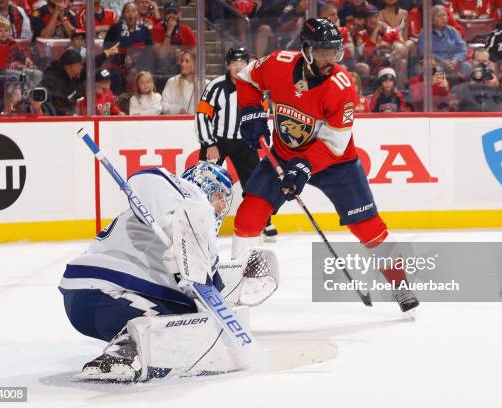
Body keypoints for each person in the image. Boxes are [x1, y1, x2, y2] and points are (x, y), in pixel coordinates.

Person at [233, 18, 419, 312]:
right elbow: (245, 78)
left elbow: (335, 143)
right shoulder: (277, 64)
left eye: (335, 52)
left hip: (336, 164)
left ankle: (400, 285)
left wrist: (304, 167)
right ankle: (234, 287)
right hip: (284, 154)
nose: (331, 59)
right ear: (306, 50)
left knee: (368, 229)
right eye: (323, 53)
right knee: (248, 215)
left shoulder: (341, 86)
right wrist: (251, 111)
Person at [59, 161, 279, 380]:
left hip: (107, 300)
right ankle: (125, 350)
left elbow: (209, 292)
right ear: (202, 185)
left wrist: (241, 275)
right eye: (218, 195)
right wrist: (172, 223)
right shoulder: (185, 197)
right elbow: (144, 178)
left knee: (189, 315)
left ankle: (134, 347)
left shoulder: (203, 241)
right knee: (183, 321)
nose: (222, 206)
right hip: (97, 290)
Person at [196, 47, 278, 241]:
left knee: (255, 184)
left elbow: (261, 114)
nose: (238, 67)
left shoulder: (256, 87)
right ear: (228, 65)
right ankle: (199, 224)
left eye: (242, 62)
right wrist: (209, 144)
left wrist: (260, 135)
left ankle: (264, 224)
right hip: (218, 142)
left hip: (244, 142)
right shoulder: (215, 86)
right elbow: (202, 115)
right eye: (234, 63)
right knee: (203, 181)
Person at [39, 46, 117, 115]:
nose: (82, 67)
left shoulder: (74, 75)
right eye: (80, 64)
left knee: (85, 131)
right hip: (53, 120)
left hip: (70, 118)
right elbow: (57, 103)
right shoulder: (52, 80)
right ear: (72, 66)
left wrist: (106, 53)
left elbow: (90, 66)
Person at [417, 5, 467, 79]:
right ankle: (449, 79)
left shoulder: (453, 31)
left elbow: (462, 49)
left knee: (467, 66)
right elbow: (424, 52)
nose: (443, 18)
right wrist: (443, 62)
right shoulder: (424, 33)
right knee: (431, 65)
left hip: (453, 63)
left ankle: (455, 80)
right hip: (437, 63)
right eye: (439, 16)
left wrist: (456, 60)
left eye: (444, 15)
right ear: (432, 20)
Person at [151, 1, 196, 78]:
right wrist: (169, 31)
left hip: (182, 69)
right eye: (168, 13)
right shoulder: (156, 29)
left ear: (180, 15)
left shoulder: (186, 30)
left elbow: (195, 53)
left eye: (174, 13)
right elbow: (162, 55)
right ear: (163, 15)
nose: (171, 15)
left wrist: (183, 55)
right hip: (161, 72)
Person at [161, 50, 197, 114]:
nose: (183, 64)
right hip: (176, 122)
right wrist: (178, 110)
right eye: (182, 61)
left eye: (187, 61)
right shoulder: (172, 81)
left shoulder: (205, 83)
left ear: (195, 64)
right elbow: (164, 105)